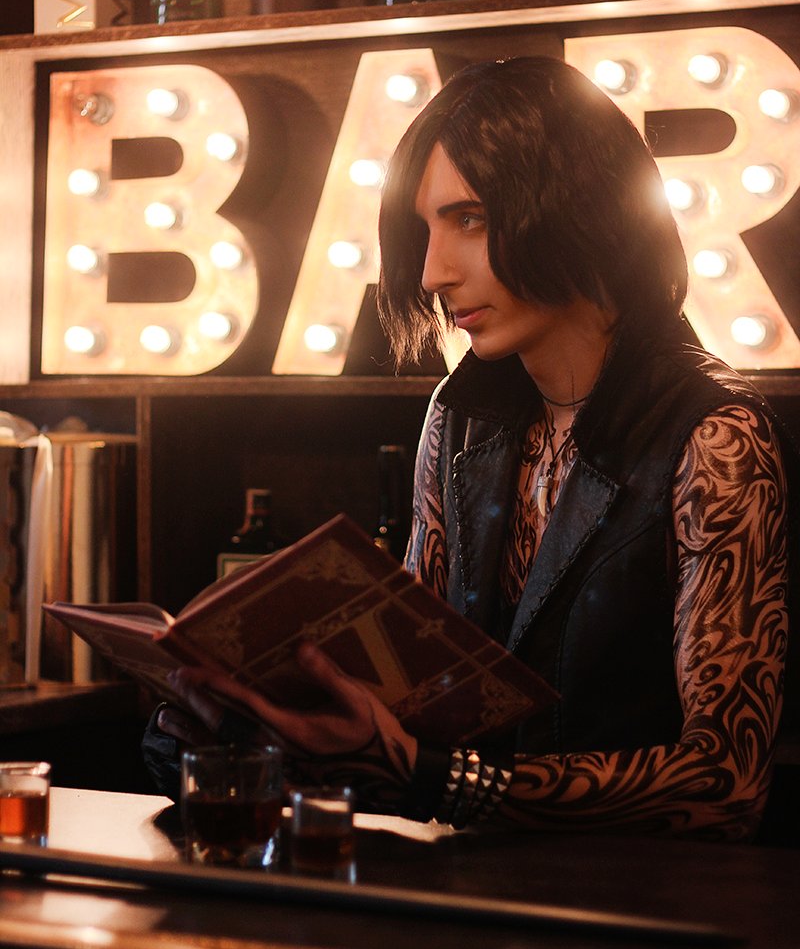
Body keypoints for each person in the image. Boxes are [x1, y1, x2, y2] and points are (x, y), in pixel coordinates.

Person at [149, 56, 795, 842]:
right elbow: (413, 698)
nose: (431, 272)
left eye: (470, 219)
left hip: (649, 905)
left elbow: (727, 782)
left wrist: (438, 780)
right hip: (469, 888)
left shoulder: (716, 438)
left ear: (579, 209)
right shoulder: (460, 419)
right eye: (425, 227)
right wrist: (257, 715)